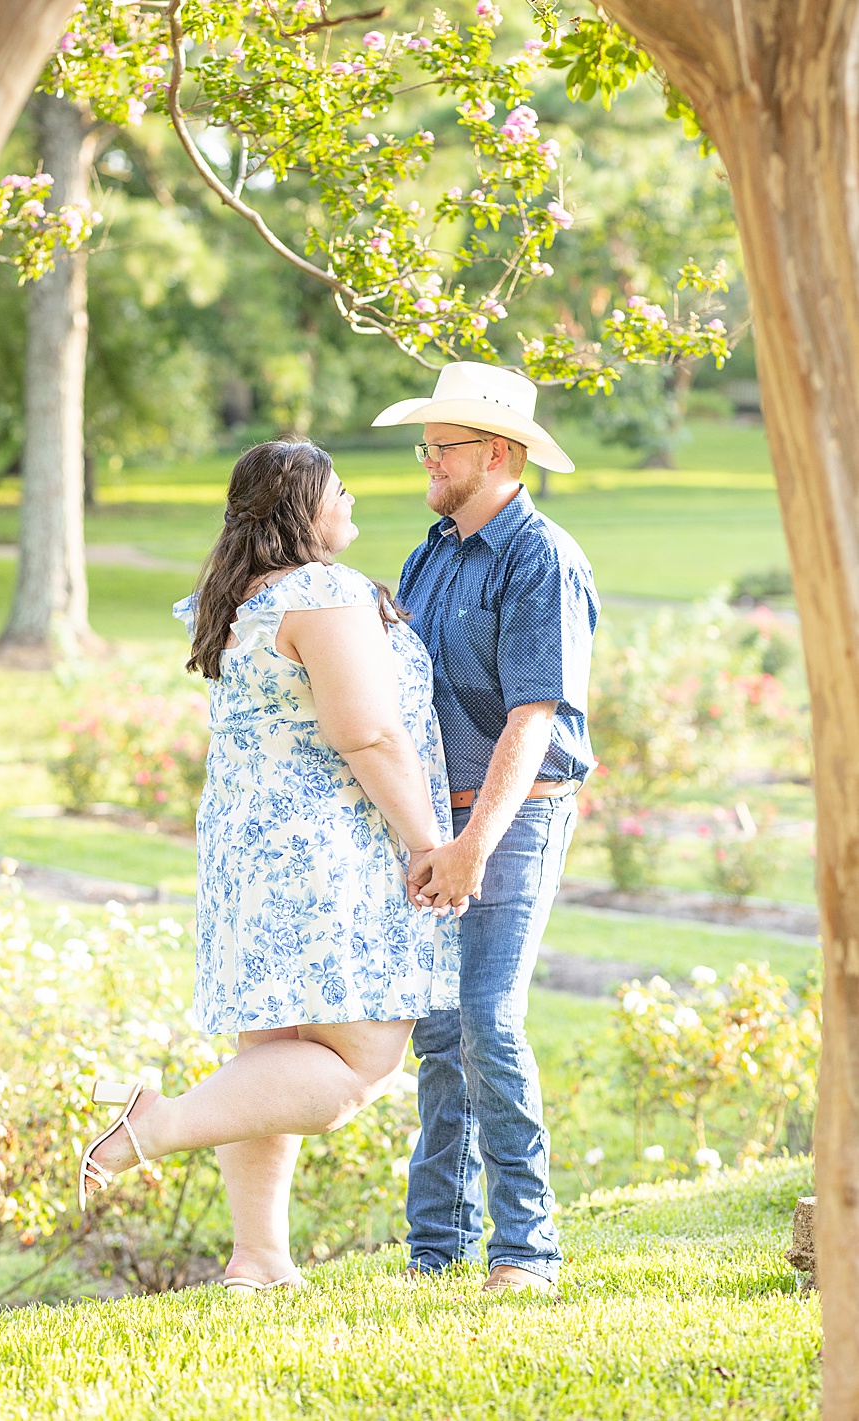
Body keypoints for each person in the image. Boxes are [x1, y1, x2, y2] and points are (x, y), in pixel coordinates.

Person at [75, 438, 461, 1294]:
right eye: (338, 487)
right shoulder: (322, 591)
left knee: (271, 1053)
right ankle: (155, 1124)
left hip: (250, 852)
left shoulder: (237, 597)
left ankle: (259, 1258)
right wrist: (428, 841)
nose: (353, 495)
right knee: (358, 1067)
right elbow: (367, 730)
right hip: (326, 850)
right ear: (302, 508)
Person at [371, 361, 599, 1296]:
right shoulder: (431, 552)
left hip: (516, 818)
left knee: (489, 1019)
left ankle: (526, 1252)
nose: (427, 458)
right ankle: (436, 1250)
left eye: (442, 445)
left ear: (497, 454)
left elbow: (534, 716)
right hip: (436, 825)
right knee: (437, 1029)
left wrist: (474, 843)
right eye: (426, 443)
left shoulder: (542, 557)